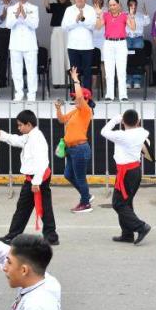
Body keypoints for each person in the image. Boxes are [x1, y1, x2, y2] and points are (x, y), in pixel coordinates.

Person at [0, 110, 59, 246]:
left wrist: (36, 182)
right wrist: (0, 134)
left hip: (36, 178)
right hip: (36, 178)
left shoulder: (37, 139)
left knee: (23, 208)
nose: (19, 128)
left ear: (29, 124)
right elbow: (17, 140)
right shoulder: (30, 136)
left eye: (20, 125)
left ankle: (13, 236)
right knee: (43, 207)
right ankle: (51, 236)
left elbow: (42, 162)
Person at [101, 109, 152, 244]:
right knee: (126, 202)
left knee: (118, 203)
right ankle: (127, 234)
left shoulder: (121, 135)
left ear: (123, 122)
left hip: (126, 173)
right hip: (134, 170)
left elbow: (104, 131)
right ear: (138, 121)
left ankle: (141, 227)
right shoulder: (142, 133)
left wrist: (116, 120)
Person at [56, 67, 94, 214]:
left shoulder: (86, 110)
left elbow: (79, 97)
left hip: (79, 149)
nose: (74, 99)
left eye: (77, 97)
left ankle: (85, 203)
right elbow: (62, 120)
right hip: (72, 149)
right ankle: (86, 196)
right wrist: (58, 108)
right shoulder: (76, 111)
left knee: (80, 177)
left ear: (85, 99)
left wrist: (76, 80)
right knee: (68, 175)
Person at [97, 0, 136, 101]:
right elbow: (98, 27)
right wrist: (99, 15)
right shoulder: (105, 15)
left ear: (118, 5)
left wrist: (131, 16)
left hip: (121, 43)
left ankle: (123, 95)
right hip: (108, 43)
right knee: (109, 71)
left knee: (121, 70)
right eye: (110, 5)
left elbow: (133, 28)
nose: (112, 7)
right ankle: (109, 95)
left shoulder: (124, 15)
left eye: (114, 5)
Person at [6, 0, 40, 102]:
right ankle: (19, 93)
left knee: (31, 71)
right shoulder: (11, 9)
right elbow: (8, 25)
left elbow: (35, 25)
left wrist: (25, 16)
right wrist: (16, 15)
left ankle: (31, 94)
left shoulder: (33, 8)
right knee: (16, 71)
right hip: (15, 44)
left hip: (30, 44)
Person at [61, 0, 97, 92]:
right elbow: (64, 27)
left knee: (87, 73)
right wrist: (76, 21)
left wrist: (83, 19)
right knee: (75, 73)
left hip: (87, 46)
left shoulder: (91, 10)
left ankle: (87, 97)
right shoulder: (69, 10)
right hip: (73, 46)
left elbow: (93, 26)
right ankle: (76, 95)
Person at [45, 0, 72, 87]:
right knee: (57, 56)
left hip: (67, 32)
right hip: (56, 31)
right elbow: (46, 5)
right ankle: (57, 82)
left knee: (68, 56)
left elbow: (75, 4)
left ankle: (70, 81)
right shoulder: (55, 5)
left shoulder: (70, 6)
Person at [125, 0, 151, 89]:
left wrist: (146, 14)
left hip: (138, 39)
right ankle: (128, 80)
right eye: (131, 5)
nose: (133, 7)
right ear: (128, 6)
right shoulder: (124, 15)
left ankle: (137, 81)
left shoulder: (140, 15)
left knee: (137, 61)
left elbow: (147, 22)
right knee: (127, 60)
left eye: (135, 5)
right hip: (127, 39)